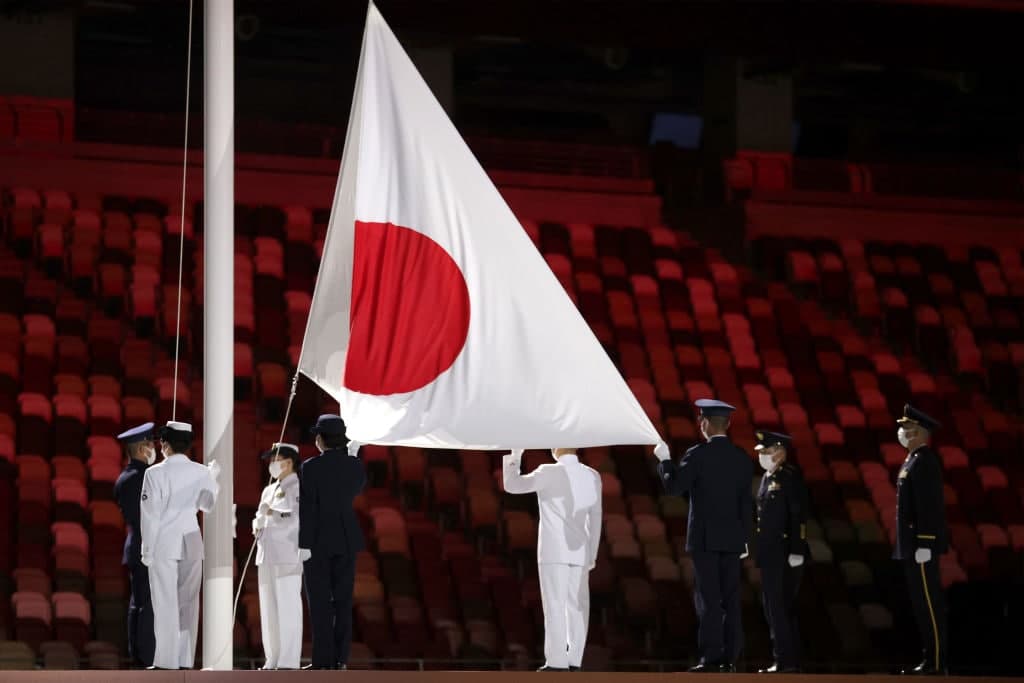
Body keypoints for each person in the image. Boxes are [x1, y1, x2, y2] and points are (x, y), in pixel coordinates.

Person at [654, 398, 753, 672]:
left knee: (709, 599)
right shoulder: (742, 458)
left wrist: (664, 461)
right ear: (729, 424)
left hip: (706, 539)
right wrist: (745, 538)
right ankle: (731, 659)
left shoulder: (697, 455)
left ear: (705, 423)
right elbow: (747, 503)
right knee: (731, 600)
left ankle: (711, 659)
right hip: (734, 539)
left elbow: (674, 488)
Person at [502, 447, 602, 672]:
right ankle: (575, 659)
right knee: (578, 607)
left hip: (554, 550)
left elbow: (513, 486)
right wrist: (592, 554)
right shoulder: (592, 475)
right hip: (581, 551)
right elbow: (596, 518)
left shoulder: (548, 471)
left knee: (555, 604)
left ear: (558, 447)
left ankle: (557, 662)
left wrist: (516, 455)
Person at [139, 421, 221, 670]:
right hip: (192, 538)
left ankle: (165, 661)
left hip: (164, 540)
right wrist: (213, 480)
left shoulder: (154, 473)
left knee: (165, 601)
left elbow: (150, 514)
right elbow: (207, 506)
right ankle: (185, 660)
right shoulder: (202, 471)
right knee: (188, 603)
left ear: (164, 444)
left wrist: (147, 549)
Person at [299, 414, 366, 670]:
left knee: (319, 603)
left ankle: (322, 661)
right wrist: (350, 458)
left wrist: (303, 543)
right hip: (347, 537)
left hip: (317, 540)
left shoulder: (310, 467)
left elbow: (307, 508)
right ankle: (341, 660)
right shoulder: (355, 466)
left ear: (320, 439)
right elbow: (357, 487)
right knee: (343, 601)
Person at [894, 404, 948, 676]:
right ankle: (930, 659)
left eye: (907, 429)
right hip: (912, 544)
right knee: (920, 604)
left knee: (929, 603)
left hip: (921, 543)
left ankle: (936, 662)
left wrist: (925, 542)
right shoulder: (912, 460)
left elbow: (928, 505)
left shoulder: (924, 461)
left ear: (919, 433)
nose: (902, 432)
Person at [752, 430, 808, 674]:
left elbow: (798, 516)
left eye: (767, 451)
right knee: (773, 607)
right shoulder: (767, 477)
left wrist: (797, 548)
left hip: (785, 552)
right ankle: (786, 659)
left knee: (780, 606)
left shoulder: (789, 478)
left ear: (781, 452)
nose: (763, 456)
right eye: (761, 452)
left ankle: (786, 660)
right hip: (770, 553)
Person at [253, 443, 304, 670]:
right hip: (266, 554)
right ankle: (272, 657)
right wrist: (258, 523)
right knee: (269, 609)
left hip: (287, 554)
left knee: (288, 607)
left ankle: (289, 660)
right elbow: (259, 516)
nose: (272, 465)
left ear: (289, 462)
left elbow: (294, 518)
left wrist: (271, 513)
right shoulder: (269, 489)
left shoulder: (299, 488)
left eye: (276, 459)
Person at [113, 422, 157, 668]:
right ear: (142, 448)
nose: (154, 449)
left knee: (141, 602)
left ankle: (142, 654)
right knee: (144, 603)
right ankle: (143, 656)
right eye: (150, 445)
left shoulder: (133, 476)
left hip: (141, 546)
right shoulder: (134, 479)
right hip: (144, 547)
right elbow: (143, 517)